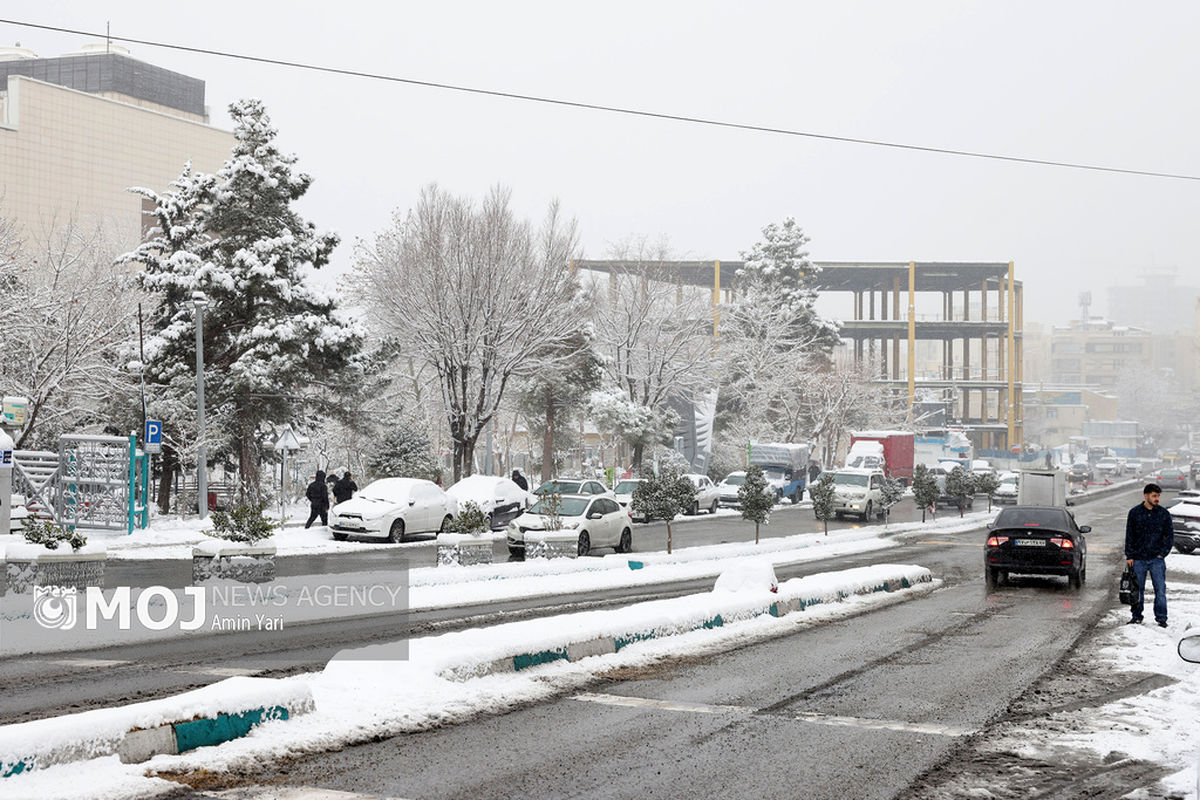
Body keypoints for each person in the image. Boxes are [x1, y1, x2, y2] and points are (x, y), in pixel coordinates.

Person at [1125, 482, 1174, 627]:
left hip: (1156, 559)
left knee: (1160, 590)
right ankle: (1136, 616)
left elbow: (1169, 536)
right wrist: (1129, 555)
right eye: (1154, 496)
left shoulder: (1163, 514)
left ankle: (1161, 618)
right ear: (1146, 496)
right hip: (1138, 558)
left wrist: (1162, 553)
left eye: (1158, 496)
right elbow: (1130, 535)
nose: (1157, 499)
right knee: (1137, 590)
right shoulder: (1135, 513)